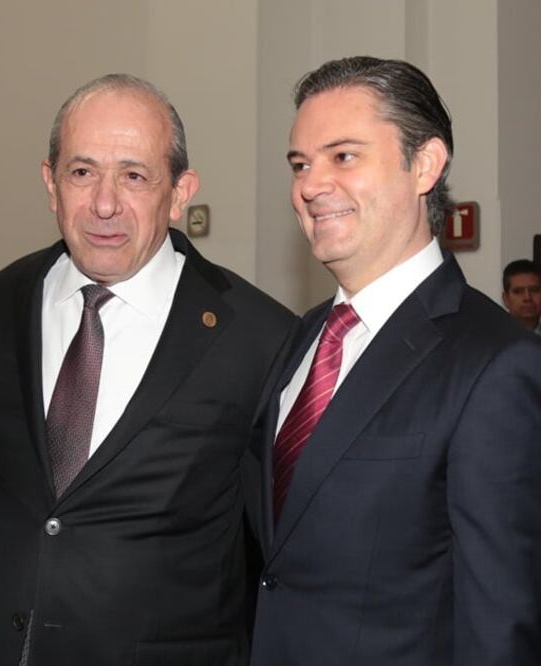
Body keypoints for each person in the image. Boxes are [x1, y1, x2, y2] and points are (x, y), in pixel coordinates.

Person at [0, 74, 295, 666]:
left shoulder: (257, 335)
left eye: (134, 176)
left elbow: (277, 549)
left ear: (181, 191)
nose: (104, 203)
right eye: (82, 172)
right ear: (50, 183)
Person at [251, 56, 541, 665]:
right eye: (300, 163)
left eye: (343, 156)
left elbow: (502, 620)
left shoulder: (496, 363)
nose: (310, 183)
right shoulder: (300, 339)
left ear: (425, 165)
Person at [502, 259, 541, 335]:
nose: (527, 298)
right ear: (505, 298)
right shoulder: (489, 340)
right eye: (518, 291)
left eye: (534, 290)